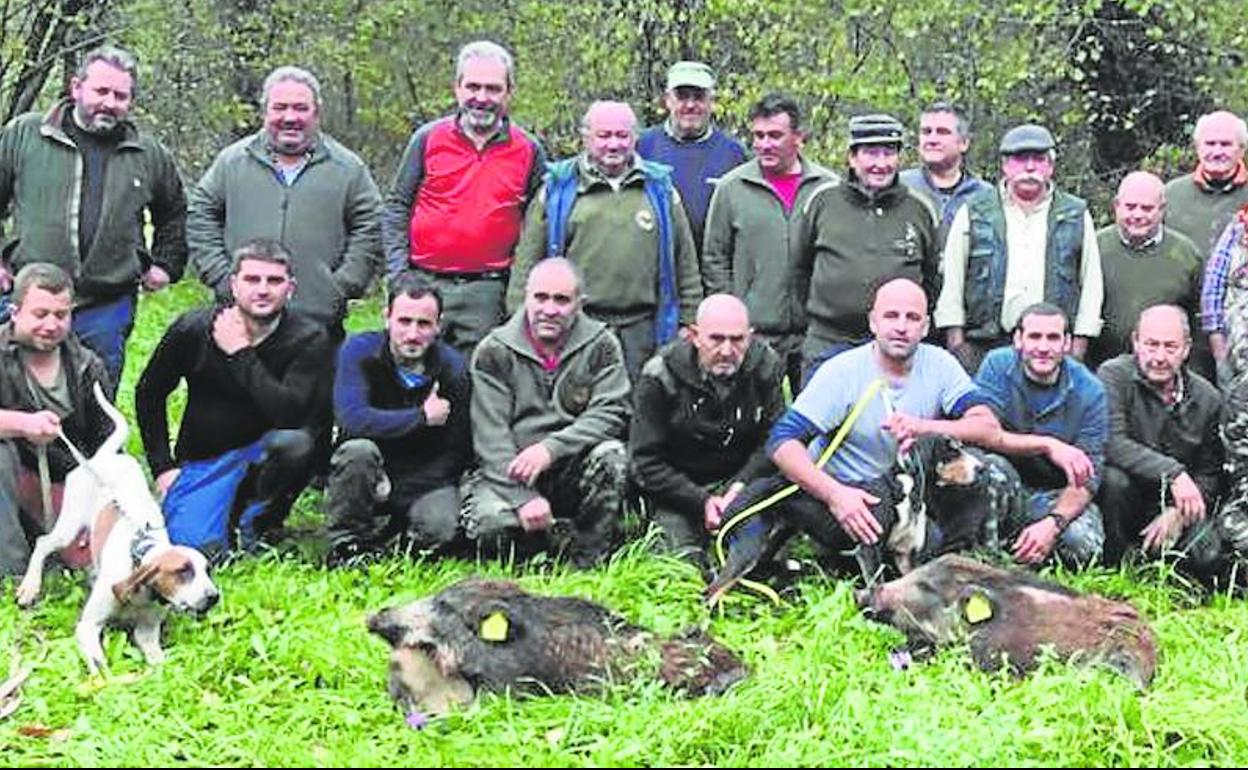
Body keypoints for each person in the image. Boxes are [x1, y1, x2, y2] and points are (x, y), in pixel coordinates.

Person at [720, 277, 1001, 584]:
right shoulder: (841, 373)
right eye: (891, 316)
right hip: (849, 499)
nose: (902, 326)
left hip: (907, 498)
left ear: (925, 326)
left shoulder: (941, 365)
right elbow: (782, 443)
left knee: (982, 469)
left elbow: (987, 426)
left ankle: (961, 563)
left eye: (912, 318)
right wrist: (835, 494)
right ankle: (832, 560)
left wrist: (925, 427)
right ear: (873, 323)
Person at [0, 45, 187, 387]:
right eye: (101, 91)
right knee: (12, 392)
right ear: (76, 88)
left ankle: (87, 444)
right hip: (26, 295)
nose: (109, 103)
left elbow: (174, 211)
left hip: (106, 303)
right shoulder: (26, 134)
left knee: (95, 398)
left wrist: (165, 263)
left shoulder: (148, 154)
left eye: (120, 95)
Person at [136, 239, 333, 555]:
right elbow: (150, 393)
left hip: (266, 456)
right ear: (233, 284)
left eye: (274, 281)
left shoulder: (310, 338)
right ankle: (215, 517)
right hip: (205, 460)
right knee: (197, 550)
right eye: (252, 279)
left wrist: (241, 353)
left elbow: (290, 414)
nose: (263, 290)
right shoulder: (194, 328)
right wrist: (162, 467)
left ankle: (257, 523)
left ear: (291, 288)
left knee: (296, 443)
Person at [508, 100, 702, 381]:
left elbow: (685, 264)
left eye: (622, 136)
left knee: (639, 414)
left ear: (635, 138)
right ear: (585, 138)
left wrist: (689, 321)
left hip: (644, 330)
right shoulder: (558, 188)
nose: (613, 145)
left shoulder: (660, 189)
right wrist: (521, 323)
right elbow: (527, 262)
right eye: (604, 136)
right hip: (576, 327)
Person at [188, 65, 382, 338]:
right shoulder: (231, 162)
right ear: (265, 111)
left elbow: (371, 227)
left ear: (317, 112)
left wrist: (340, 286)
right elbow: (200, 216)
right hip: (240, 323)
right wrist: (223, 278)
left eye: (301, 108)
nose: (290, 117)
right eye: (280, 107)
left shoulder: (348, 169)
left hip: (317, 323)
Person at [381, 40, 545, 353]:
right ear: (457, 88)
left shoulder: (528, 150)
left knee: (480, 383)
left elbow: (537, 224)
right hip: (423, 283)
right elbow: (397, 208)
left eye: (493, 89)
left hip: (488, 290)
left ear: (509, 93)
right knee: (413, 377)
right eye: (473, 86)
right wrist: (399, 274)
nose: (481, 98)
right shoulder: (427, 139)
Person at [467, 258, 630, 568]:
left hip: (571, 465)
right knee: (491, 528)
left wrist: (550, 449)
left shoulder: (602, 344)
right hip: (509, 470)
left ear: (579, 304)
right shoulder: (494, 351)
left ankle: (588, 558)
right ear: (526, 297)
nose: (549, 309)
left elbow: (612, 411)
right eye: (540, 298)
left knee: (612, 456)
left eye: (562, 300)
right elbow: (490, 437)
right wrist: (521, 497)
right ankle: (542, 546)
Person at [325, 272, 472, 563]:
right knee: (357, 452)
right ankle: (348, 545)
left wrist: (399, 492)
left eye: (424, 324)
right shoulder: (358, 352)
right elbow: (352, 420)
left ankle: (395, 539)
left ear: (438, 326)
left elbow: (458, 452)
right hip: (369, 466)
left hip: (425, 476)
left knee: (442, 528)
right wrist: (420, 417)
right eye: (404, 322)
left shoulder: (453, 369)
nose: (413, 334)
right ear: (387, 318)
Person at [629, 294, 784, 563]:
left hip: (742, 484)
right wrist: (700, 500)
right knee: (677, 565)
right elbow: (645, 461)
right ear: (694, 335)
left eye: (737, 340)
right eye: (716, 339)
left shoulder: (765, 366)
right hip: (679, 489)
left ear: (750, 336)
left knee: (762, 560)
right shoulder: (659, 375)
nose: (726, 351)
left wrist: (740, 486)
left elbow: (776, 440)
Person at [936, 124, 1103, 371]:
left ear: (1051, 166)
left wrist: (1077, 349)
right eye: (1020, 159)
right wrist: (957, 345)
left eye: (1038, 159)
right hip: (984, 345)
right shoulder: (975, 211)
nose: (1030, 167)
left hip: (1052, 349)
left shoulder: (1075, 214)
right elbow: (952, 281)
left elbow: (1091, 284)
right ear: (1005, 165)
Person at [702, 93, 838, 387]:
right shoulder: (731, 188)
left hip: (814, 333)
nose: (765, 144)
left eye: (775, 136)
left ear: (798, 137)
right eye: (759, 136)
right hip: (754, 333)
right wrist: (733, 315)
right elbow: (715, 259)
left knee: (814, 423)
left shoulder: (828, 188)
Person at [801, 114, 939, 371]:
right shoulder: (821, 202)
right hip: (828, 342)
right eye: (871, 153)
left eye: (888, 153)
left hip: (897, 347)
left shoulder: (920, 209)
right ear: (852, 157)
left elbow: (931, 278)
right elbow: (799, 268)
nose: (880, 163)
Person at [974, 303, 1107, 567]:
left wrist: (1053, 524)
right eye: (1034, 337)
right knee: (987, 467)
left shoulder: (1090, 390)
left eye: (1053, 338)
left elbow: (1088, 479)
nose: (1043, 347)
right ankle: (985, 564)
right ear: (1018, 340)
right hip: (1003, 486)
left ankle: (1034, 565)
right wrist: (1047, 445)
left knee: (1083, 544)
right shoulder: (997, 365)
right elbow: (982, 435)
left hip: (1053, 494)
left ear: (1067, 343)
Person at [1096, 305, 1225, 576]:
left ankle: (1168, 577)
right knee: (1112, 480)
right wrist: (1174, 474)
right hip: (1127, 497)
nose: (1159, 357)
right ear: (1135, 342)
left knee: (1208, 556)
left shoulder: (1207, 398)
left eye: (1170, 347)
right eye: (1151, 345)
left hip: (1178, 504)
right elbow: (1111, 442)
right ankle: (1117, 567)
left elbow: (1210, 472)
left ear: (1187, 348)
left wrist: (1178, 512)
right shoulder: (1113, 376)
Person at [0, 264, 111, 574]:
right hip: (13, 474)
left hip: (67, 479)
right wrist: (22, 424)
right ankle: (11, 572)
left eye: (61, 315)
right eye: (40, 314)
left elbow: (105, 445)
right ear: (14, 311)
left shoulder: (89, 366)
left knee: (87, 558)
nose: (51, 325)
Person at [1092, 171, 1202, 367]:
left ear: (1162, 209)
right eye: (1130, 207)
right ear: (1117, 206)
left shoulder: (1186, 254)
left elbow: (1198, 323)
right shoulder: (1094, 248)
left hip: (1166, 369)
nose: (1138, 215)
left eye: (1147, 208)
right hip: (1102, 368)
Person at [637, 60, 746, 256]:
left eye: (698, 97)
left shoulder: (733, 154)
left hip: (712, 276)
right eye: (682, 96)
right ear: (668, 100)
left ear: (711, 101)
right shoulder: (641, 147)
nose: (690, 105)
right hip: (654, 270)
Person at [898, 102, 990, 231]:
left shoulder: (984, 197)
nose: (932, 140)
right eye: (926, 132)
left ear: (963, 143)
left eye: (942, 132)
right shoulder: (900, 188)